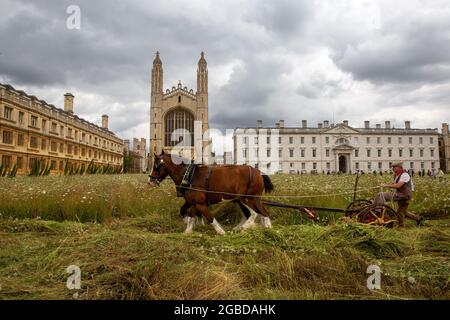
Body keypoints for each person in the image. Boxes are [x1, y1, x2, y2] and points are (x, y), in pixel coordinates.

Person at [373, 162, 423, 227]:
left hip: (404, 195)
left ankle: (379, 212)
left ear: (399, 167)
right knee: (403, 211)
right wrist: (388, 184)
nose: (393, 169)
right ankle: (418, 218)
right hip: (400, 194)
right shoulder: (397, 175)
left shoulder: (405, 175)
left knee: (381, 195)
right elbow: (395, 183)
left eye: (394, 167)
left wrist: (385, 185)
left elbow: (398, 185)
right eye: (392, 167)